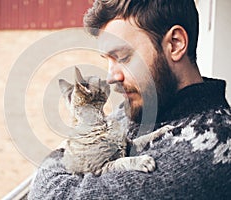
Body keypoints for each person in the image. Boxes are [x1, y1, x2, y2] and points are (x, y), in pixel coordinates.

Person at [28, 0, 231, 199]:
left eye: (123, 58)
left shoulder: (207, 148)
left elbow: (47, 194)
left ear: (175, 44)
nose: (111, 77)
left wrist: (66, 151)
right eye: (107, 61)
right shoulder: (138, 106)